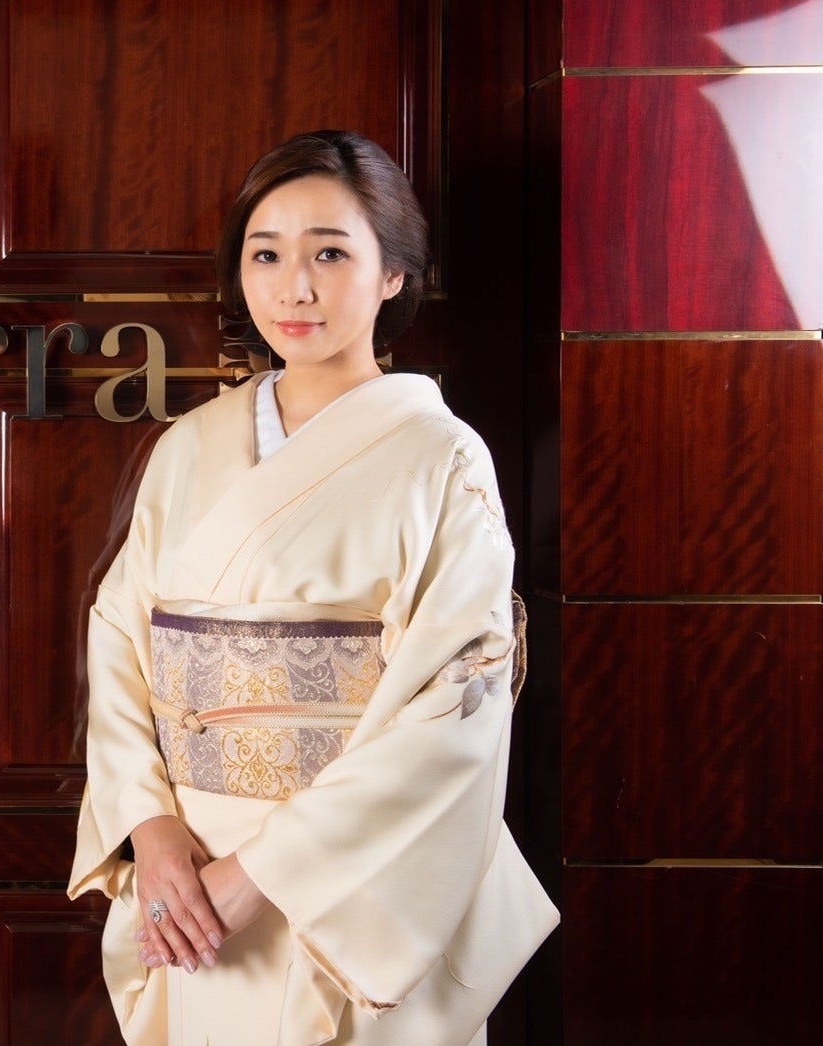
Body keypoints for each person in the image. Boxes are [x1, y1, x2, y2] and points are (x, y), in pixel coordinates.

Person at [68, 130, 559, 1045]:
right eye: (267, 255)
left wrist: (262, 873)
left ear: (393, 273)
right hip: (191, 875)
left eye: (330, 254)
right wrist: (151, 827)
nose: (295, 288)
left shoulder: (443, 459)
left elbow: (453, 705)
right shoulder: (189, 447)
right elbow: (122, 636)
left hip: (346, 879)